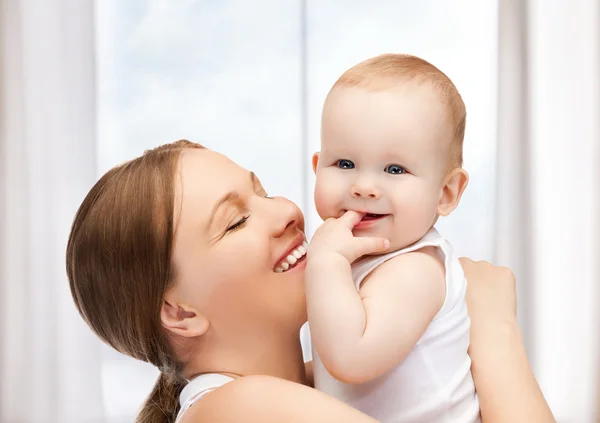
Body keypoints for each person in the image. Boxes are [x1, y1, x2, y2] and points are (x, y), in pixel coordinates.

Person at [66, 140, 554, 423]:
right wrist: (492, 328)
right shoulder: (237, 409)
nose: (286, 211)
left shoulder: (326, 385)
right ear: (180, 313)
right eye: (235, 222)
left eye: (262, 193)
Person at [307, 53, 475, 421]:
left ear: (446, 192)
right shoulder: (354, 255)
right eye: (345, 164)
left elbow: (350, 359)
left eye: (395, 169)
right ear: (318, 167)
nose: (365, 186)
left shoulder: (416, 269)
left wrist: (325, 263)